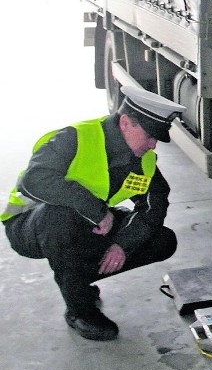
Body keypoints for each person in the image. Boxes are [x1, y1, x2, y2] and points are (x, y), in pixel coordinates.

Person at [2, 86, 186, 341]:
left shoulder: (142, 161)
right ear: (125, 123)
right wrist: (97, 211)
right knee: (62, 217)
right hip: (29, 225)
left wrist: (123, 244)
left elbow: (155, 205)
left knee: (162, 240)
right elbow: (35, 180)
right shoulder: (76, 138)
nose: (153, 144)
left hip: (86, 224)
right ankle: (79, 310)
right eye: (150, 135)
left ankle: (75, 279)